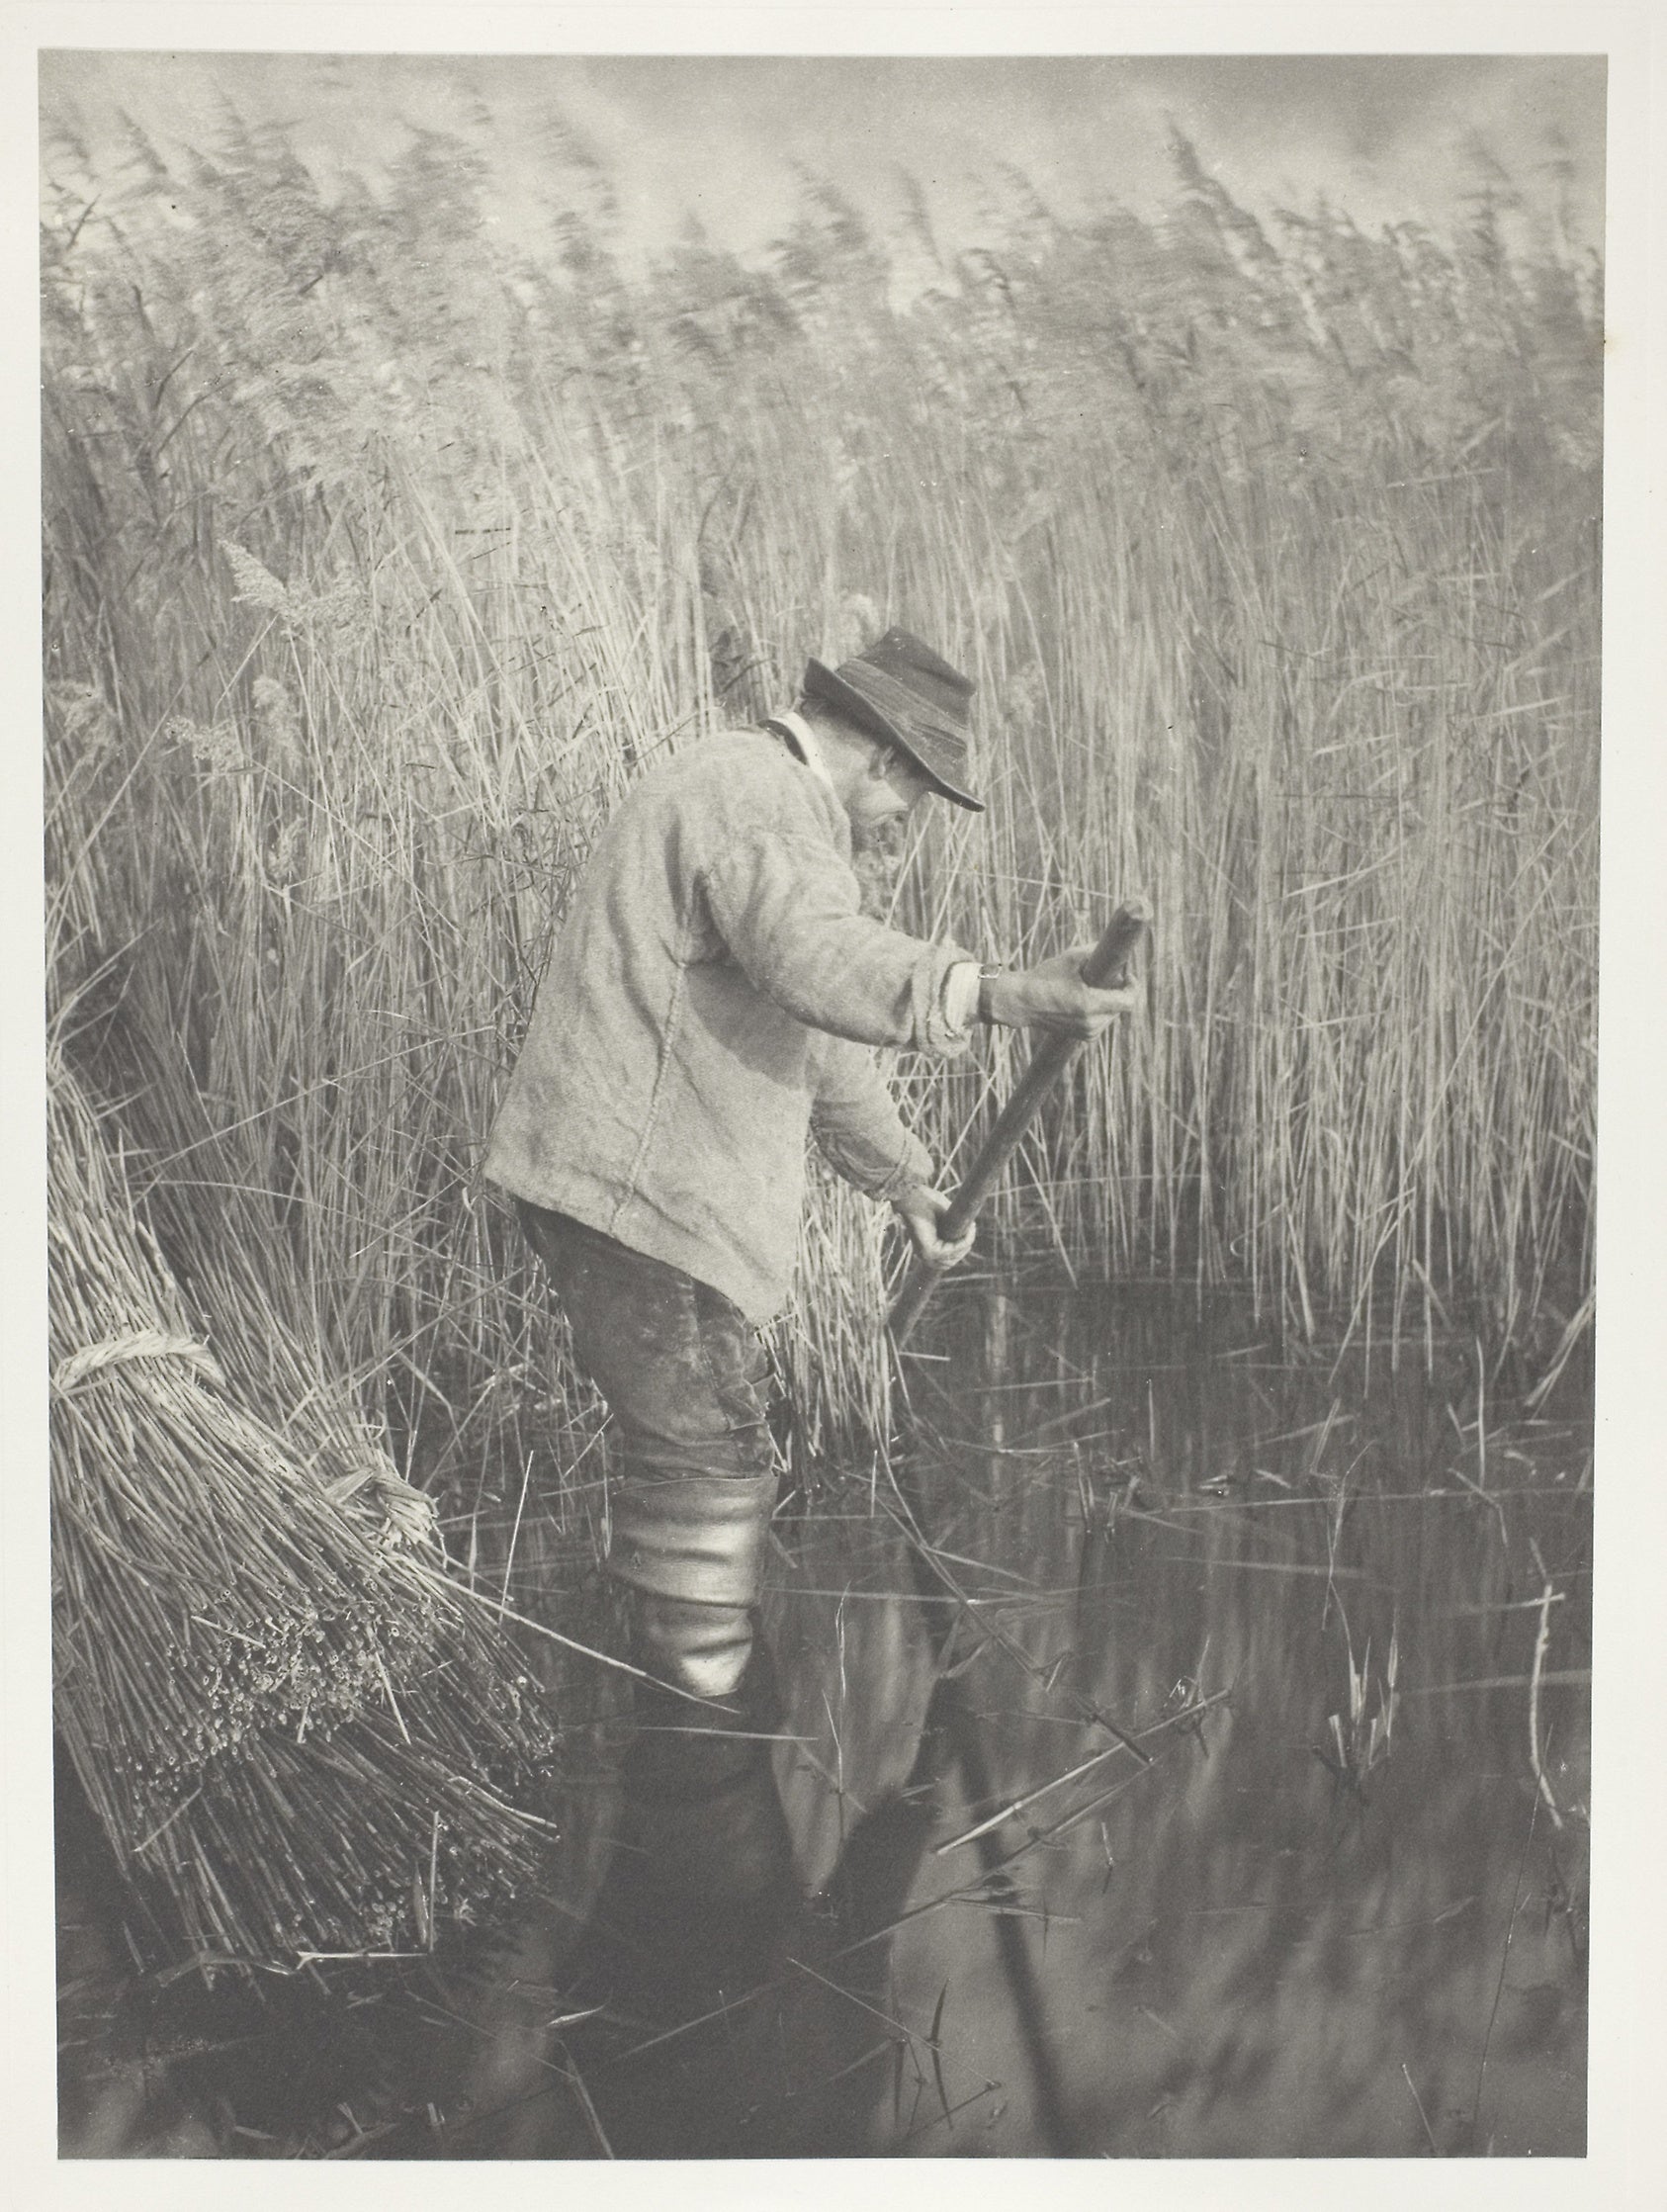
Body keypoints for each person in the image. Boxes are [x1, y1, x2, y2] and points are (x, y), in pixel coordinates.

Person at [483, 628, 1138, 1708]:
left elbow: (819, 1032)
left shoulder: (760, 805)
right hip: (637, 1198)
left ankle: (667, 1704)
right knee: (712, 1456)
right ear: (883, 760)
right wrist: (1003, 991)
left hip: (635, 1197)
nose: (901, 827)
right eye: (914, 800)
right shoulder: (757, 795)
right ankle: (702, 1747)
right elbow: (815, 959)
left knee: (696, 1447)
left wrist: (907, 1179)